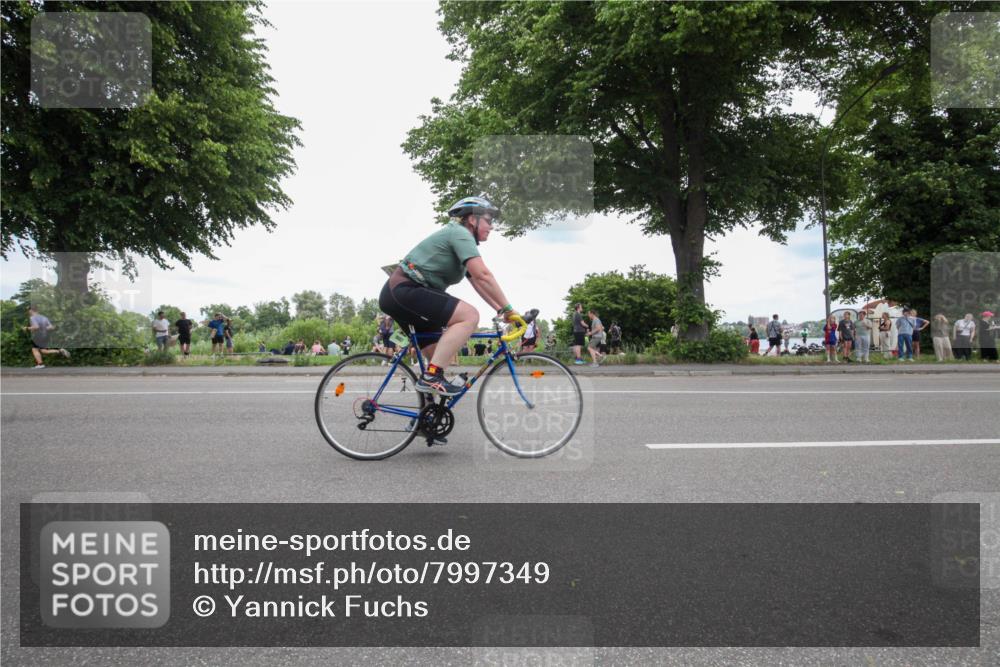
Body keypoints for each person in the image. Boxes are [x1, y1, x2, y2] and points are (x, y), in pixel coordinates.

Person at [378, 195, 519, 395]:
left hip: (404, 295)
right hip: (405, 290)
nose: (492, 226)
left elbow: (478, 283)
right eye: (488, 220)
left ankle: (426, 417)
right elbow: (484, 274)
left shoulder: (461, 240)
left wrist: (500, 310)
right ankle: (431, 378)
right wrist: (509, 309)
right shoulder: (460, 234)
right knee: (470, 316)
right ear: (472, 219)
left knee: (437, 362)